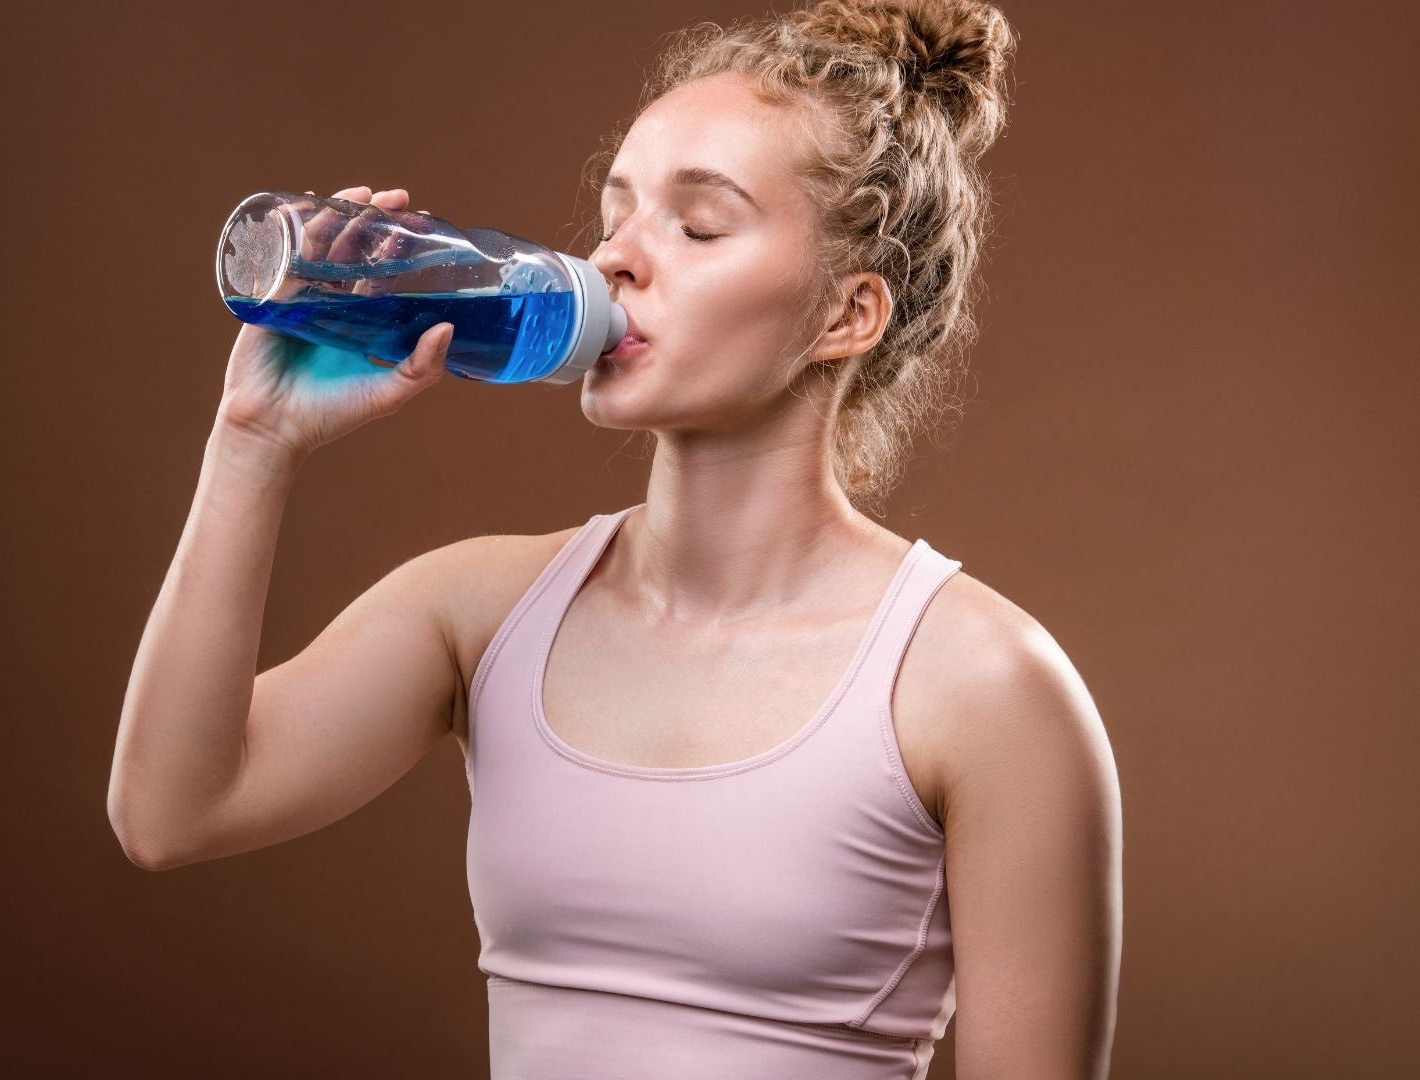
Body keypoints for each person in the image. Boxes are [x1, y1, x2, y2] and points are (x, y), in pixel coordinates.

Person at [109, 0, 1121, 1076]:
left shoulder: (983, 685)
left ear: (847, 315)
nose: (617, 259)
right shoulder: (481, 610)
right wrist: (252, 444)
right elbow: (173, 810)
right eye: (617, 214)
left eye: (698, 226)